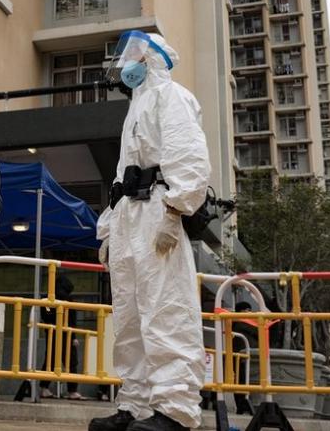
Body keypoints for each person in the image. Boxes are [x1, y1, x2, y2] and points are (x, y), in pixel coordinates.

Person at [89, 31, 211, 431]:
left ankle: (175, 408)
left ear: (153, 59)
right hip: (129, 216)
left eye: (135, 55)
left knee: (165, 309)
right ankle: (136, 404)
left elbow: (188, 155)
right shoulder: (136, 108)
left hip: (157, 211)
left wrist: (175, 211)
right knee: (129, 315)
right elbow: (123, 175)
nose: (127, 62)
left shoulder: (171, 96)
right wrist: (108, 228)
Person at [39, 275, 84, 401]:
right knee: (71, 363)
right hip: (67, 334)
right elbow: (71, 320)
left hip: (52, 333)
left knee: (50, 361)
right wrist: (74, 336)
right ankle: (72, 391)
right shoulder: (69, 300)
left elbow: (46, 316)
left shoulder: (46, 299)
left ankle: (44, 388)